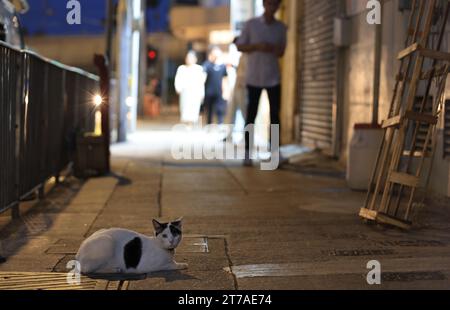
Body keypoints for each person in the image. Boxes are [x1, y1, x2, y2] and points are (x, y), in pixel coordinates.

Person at [236, 0, 287, 166]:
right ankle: (247, 153)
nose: (272, 8)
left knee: (275, 116)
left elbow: (281, 52)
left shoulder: (281, 28)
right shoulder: (251, 25)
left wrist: (272, 48)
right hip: (254, 77)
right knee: (251, 114)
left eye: (275, 5)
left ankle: (274, 152)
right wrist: (257, 46)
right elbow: (240, 46)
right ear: (264, 4)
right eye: (270, 4)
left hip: (273, 77)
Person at [174, 51, 206, 124]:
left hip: (195, 92)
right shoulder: (181, 68)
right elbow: (178, 79)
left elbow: (201, 82)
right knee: (184, 109)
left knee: (194, 109)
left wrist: (202, 93)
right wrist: (178, 88)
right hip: (185, 92)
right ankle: (186, 124)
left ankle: (191, 124)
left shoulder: (199, 69)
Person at [203, 46, 228, 125]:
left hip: (219, 91)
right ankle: (209, 125)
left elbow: (225, 79)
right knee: (209, 110)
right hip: (209, 91)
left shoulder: (223, 66)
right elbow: (203, 77)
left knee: (220, 109)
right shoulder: (207, 65)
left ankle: (220, 124)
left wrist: (225, 91)